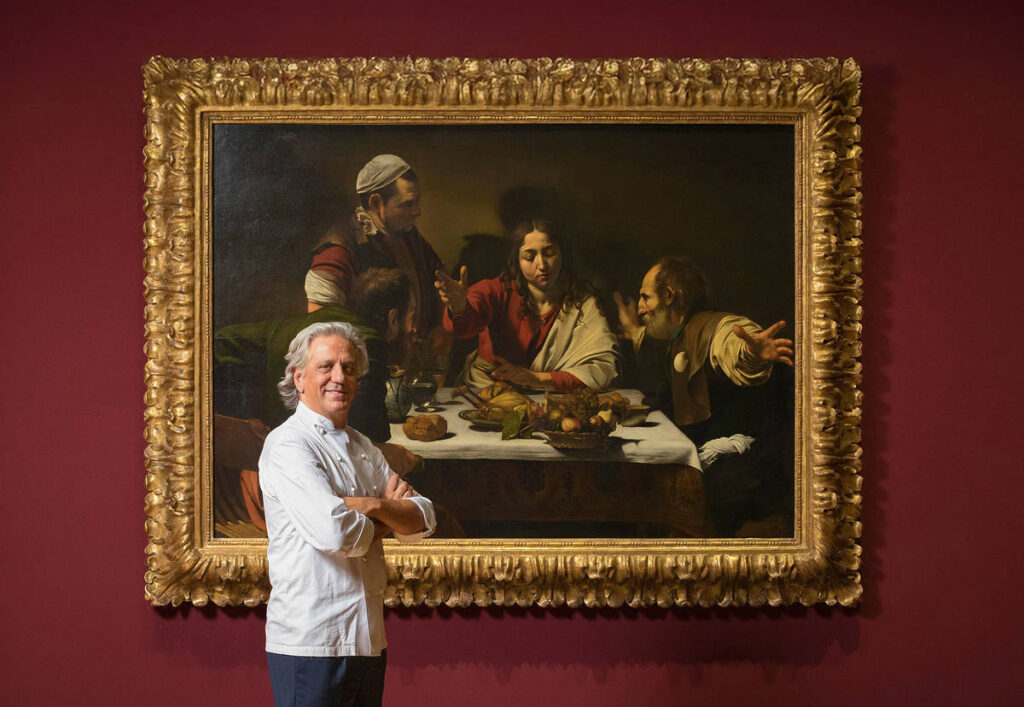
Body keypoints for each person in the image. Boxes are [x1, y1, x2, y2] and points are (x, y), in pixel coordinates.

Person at [260, 321, 436, 706]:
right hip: (310, 644)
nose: (339, 377)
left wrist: (372, 505)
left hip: (368, 639)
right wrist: (390, 519)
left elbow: (424, 518)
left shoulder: (363, 447)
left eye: (349, 368)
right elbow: (337, 534)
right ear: (299, 377)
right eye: (326, 366)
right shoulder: (288, 445)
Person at [615, 255, 794, 535]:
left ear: (669, 296)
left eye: (645, 297)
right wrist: (633, 331)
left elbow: (732, 345)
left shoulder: (717, 327)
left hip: (746, 463)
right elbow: (647, 337)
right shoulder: (677, 331)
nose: (640, 307)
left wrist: (752, 354)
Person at [434, 218, 618, 391]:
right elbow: (465, 325)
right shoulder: (498, 290)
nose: (542, 265)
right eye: (530, 257)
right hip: (488, 390)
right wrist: (458, 306)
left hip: (554, 395)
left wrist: (538, 379)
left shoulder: (582, 301)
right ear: (517, 261)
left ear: (562, 253)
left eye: (549, 253)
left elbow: (602, 369)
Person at [305, 154, 445, 339]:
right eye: (407, 204)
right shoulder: (340, 247)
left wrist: (440, 327)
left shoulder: (409, 235)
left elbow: (440, 280)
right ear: (376, 203)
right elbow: (320, 321)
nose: (417, 211)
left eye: (417, 202)